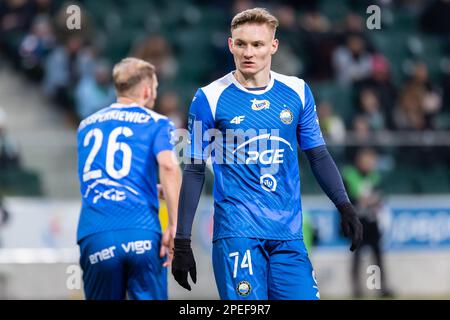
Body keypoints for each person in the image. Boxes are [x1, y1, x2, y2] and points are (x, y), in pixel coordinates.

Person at [172, 8, 363, 300]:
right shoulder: (208, 98)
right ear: (230, 45)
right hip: (238, 233)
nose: (249, 52)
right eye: (241, 44)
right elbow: (195, 169)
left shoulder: (297, 91)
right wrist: (182, 241)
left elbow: (318, 156)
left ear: (273, 46)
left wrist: (344, 205)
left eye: (258, 44)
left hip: (289, 235)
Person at [76, 57, 181, 300]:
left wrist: (147, 188)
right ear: (146, 89)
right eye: (154, 88)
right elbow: (168, 166)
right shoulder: (158, 123)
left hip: (96, 233)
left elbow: (105, 177)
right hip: (140, 230)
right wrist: (176, 226)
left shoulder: (85, 126)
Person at [342, 148, 392, 298]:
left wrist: (372, 201)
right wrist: (361, 200)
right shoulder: (349, 175)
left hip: (371, 220)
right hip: (357, 220)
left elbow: (380, 195)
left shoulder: (374, 176)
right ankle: (356, 289)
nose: (370, 164)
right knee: (357, 254)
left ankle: (380, 287)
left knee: (377, 254)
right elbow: (347, 197)